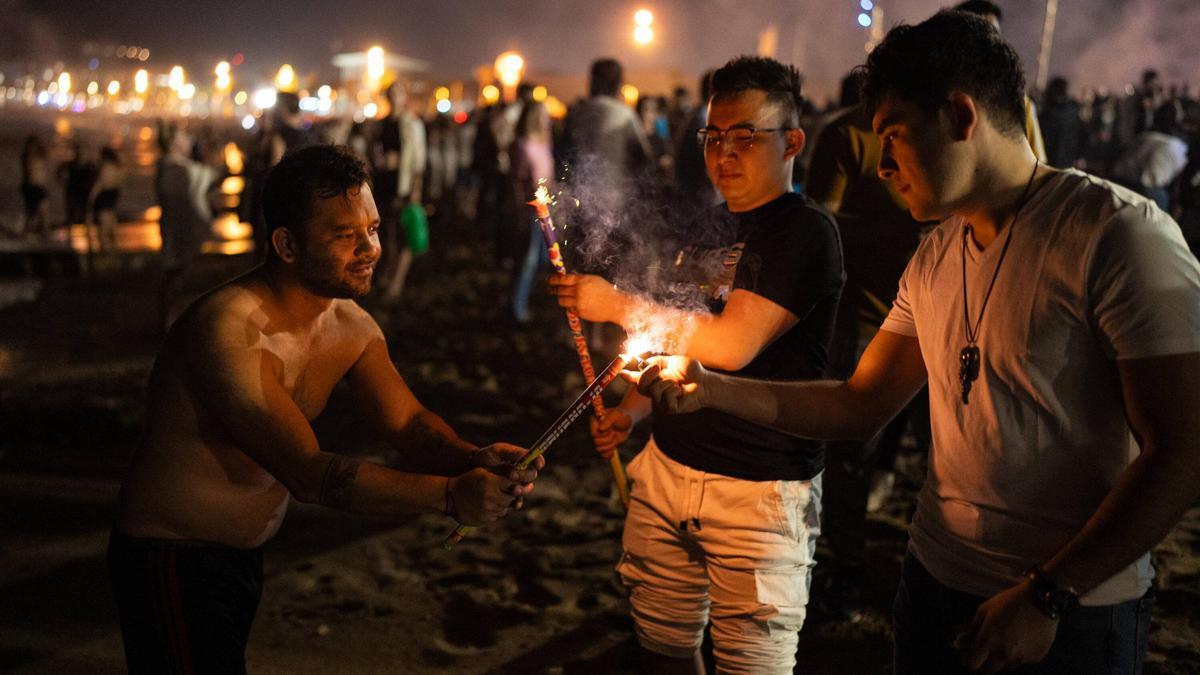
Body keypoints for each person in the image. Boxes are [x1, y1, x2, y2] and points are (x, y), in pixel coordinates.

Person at [633, 12, 1200, 674]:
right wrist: (715, 389)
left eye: (895, 137)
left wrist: (1050, 592)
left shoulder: (1119, 236)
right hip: (933, 582)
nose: (886, 166)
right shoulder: (935, 254)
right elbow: (859, 402)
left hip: (1069, 610)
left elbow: (1183, 452)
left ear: (960, 116)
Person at [109, 145, 540, 674]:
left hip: (240, 559)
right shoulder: (228, 330)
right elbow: (308, 473)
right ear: (287, 244)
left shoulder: (350, 327)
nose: (370, 249)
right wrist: (449, 497)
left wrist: (472, 459)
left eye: (374, 229)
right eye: (344, 236)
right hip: (171, 557)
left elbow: (408, 422)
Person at [551, 56, 844, 674]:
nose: (723, 154)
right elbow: (673, 340)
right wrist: (632, 412)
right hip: (665, 470)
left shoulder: (805, 233)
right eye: (713, 136)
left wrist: (615, 304)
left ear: (792, 142)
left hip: (758, 493)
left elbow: (731, 344)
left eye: (745, 137)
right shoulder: (709, 225)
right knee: (664, 650)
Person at [804, 69, 927, 622]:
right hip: (861, 317)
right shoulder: (844, 137)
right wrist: (896, 231)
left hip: (933, 315)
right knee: (852, 449)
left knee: (932, 452)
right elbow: (820, 222)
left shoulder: (924, 133)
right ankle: (848, 567)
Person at [953, 0, 1047, 164]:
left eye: (995, 35)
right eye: (980, 35)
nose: (990, 44)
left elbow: (1038, 168)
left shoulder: (1018, 104)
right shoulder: (929, 101)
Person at [155, 125, 217, 329]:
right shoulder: (178, 169)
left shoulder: (167, 167)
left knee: (175, 275)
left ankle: (169, 319)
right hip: (181, 230)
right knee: (178, 277)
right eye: (184, 137)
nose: (189, 141)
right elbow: (215, 174)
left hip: (175, 228)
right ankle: (171, 321)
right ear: (174, 144)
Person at [509, 100, 555, 323]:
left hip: (545, 208)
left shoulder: (545, 143)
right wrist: (519, 208)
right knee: (528, 258)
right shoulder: (521, 144)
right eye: (540, 115)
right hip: (529, 209)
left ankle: (525, 299)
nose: (544, 120)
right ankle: (517, 306)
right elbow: (517, 180)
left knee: (541, 258)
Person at [90, 146, 125, 249]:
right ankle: (112, 249)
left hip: (105, 196)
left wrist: (91, 199)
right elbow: (119, 182)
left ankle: (106, 250)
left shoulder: (105, 167)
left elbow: (100, 184)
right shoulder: (117, 168)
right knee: (111, 224)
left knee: (105, 228)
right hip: (112, 196)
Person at [19, 135, 50, 239]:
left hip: (40, 187)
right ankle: (29, 233)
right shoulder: (26, 158)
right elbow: (27, 175)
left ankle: (43, 233)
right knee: (32, 213)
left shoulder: (39, 157)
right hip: (32, 188)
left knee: (43, 211)